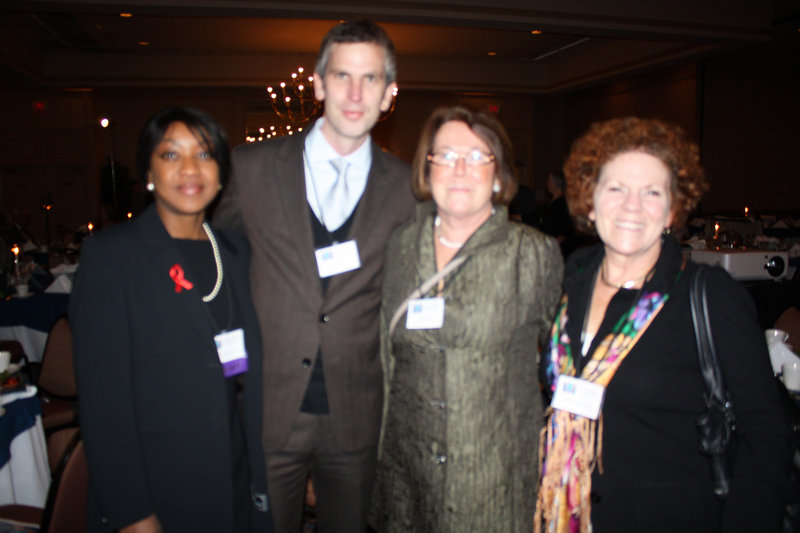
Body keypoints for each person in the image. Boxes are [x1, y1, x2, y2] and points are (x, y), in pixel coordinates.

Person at [535, 117, 791, 533]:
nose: (631, 206)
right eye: (615, 188)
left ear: (673, 208)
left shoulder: (710, 296)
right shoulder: (571, 280)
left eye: (651, 192)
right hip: (567, 514)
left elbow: (767, 439)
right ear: (589, 201)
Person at [213, 19, 415, 533]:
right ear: (319, 84)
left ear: (388, 94)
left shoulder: (406, 187)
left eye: (369, 79)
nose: (354, 92)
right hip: (266, 408)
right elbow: (215, 275)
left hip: (356, 414)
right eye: (341, 76)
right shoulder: (251, 168)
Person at [70, 107, 274, 533]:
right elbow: (104, 406)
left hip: (233, 477)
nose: (189, 169)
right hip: (158, 488)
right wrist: (133, 514)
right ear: (148, 172)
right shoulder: (112, 256)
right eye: (170, 155)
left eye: (204, 155)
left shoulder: (236, 252)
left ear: (220, 175)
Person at [370, 106, 564, 532]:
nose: (459, 168)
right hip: (405, 479)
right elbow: (382, 361)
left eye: (477, 156)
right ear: (427, 168)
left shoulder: (532, 253)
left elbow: (563, 365)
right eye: (446, 155)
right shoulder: (399, 246)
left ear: (498, 176)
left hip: (494, 483)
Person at [537, 170, 577, 257]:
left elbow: (565, 232)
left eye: (549, 181)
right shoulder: (550, 203)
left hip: (558, 251)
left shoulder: (563, 204)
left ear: (556, 184)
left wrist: (550, 246)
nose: (547, 184)